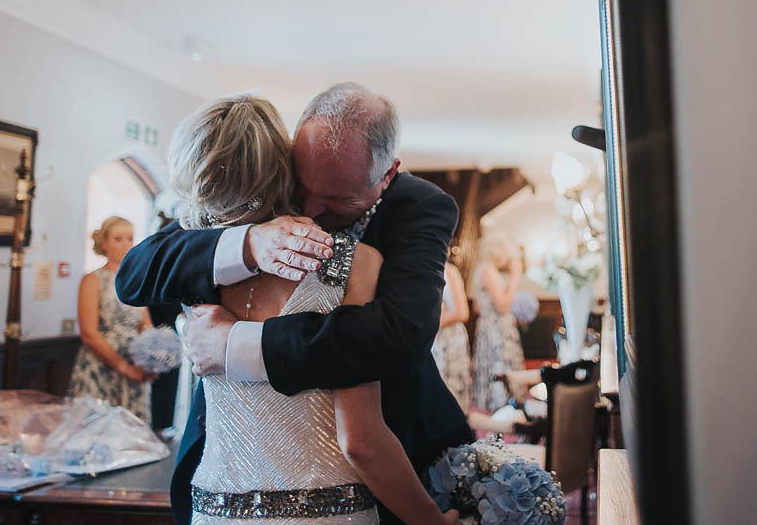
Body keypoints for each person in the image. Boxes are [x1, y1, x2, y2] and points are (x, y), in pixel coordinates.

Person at [116, 83, 472, 525]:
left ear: (387, 174)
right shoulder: (221, 220)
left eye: (339, 199)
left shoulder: (419, 208)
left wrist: (234, 345)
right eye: (302, 187)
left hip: (386, 454)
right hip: (221, 479)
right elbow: (133, 276)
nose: (313, 209)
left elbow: (398, 337)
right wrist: (247, 243)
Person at [68, 216, 156, 424]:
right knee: (96, 432)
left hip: (135, 364)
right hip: (101, 365)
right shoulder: (93, 279)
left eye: (129, 238)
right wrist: (124, 367)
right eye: (118, 239)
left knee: (133, 435)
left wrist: (152, 361)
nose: (126, 244)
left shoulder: (135, 279)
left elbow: (146, 325)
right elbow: (89, 334)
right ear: (104, 244)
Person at [470, 238, 526, 412]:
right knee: (500, 363)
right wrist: (515, 278)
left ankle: (494, 402)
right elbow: (503, 306)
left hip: (488, 325)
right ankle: (502, 404)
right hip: (497, 329)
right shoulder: (489, 270)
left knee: (492, 363)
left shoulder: (481, 270)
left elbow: (477, 307)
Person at [431, 257, 471, 410]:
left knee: (450, 392)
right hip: (435, 338)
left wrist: (424, 326)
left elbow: (461, 312)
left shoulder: (448, 270)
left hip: (449, 339)